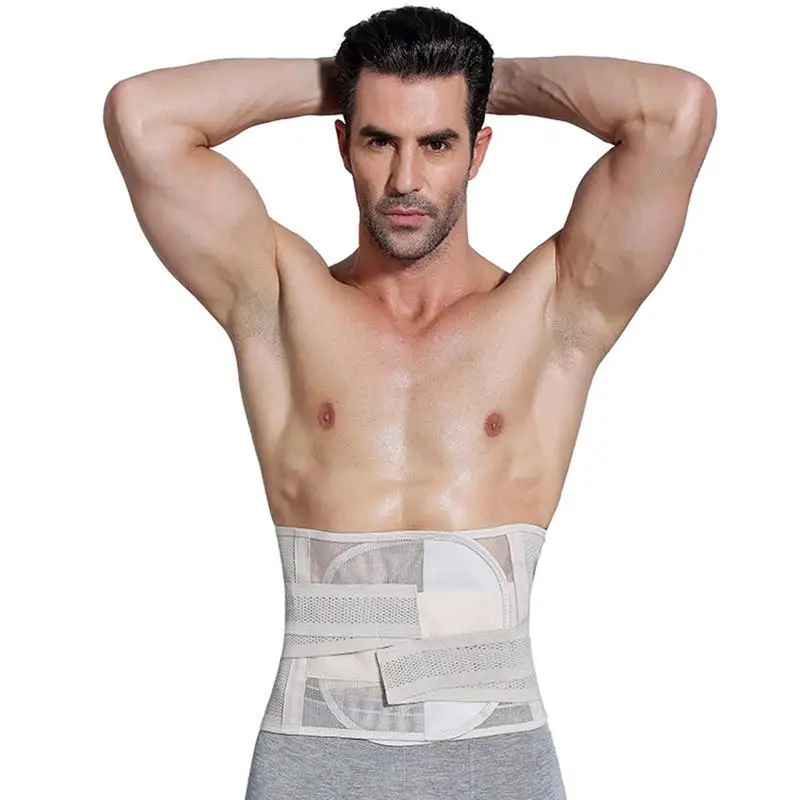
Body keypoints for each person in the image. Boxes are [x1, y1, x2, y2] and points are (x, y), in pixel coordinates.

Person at [103, 5, 716, 798]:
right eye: (378, 140)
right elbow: (142, 117)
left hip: (495, 761)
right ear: (342, 144)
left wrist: (490, 82)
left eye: (437, 143)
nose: (405, 180)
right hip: (314, 758)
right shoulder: (282, 301)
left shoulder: (550, 312)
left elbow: (677, 113)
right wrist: (343, 81)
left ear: (478, 149)